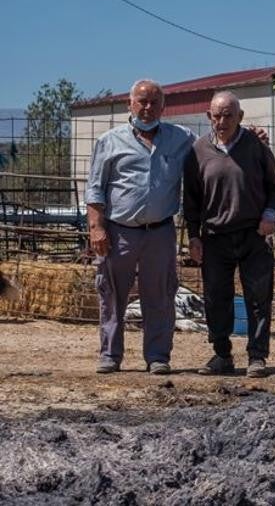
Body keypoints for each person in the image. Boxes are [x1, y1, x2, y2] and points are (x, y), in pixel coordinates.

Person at [86, 79, 196, 375]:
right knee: (111, 294)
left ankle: (158, 356)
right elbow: (95, 189)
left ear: (164, 107)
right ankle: (110, 354)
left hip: (160, 231)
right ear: (130, 104)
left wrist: (253, 135)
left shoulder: (182, 138)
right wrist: (96, 227)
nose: (148, 108)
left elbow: (214, 149)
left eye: (154, 103)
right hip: (118, 231)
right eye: (142, 102)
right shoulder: (109, 141)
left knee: (160, 294)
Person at [183, 91, 275, 378]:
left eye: (228, 115)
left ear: (240, 117)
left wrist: (270, 214)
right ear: (208, 117)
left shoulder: (256, 146)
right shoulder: (197, 151)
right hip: (215, 235)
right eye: (217, 115)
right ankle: (221, 353)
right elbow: (191, 199)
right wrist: (193, 235)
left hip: (253, 234)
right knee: (215, 297)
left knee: (259, 297)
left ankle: (257, 356)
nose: (222, 121)